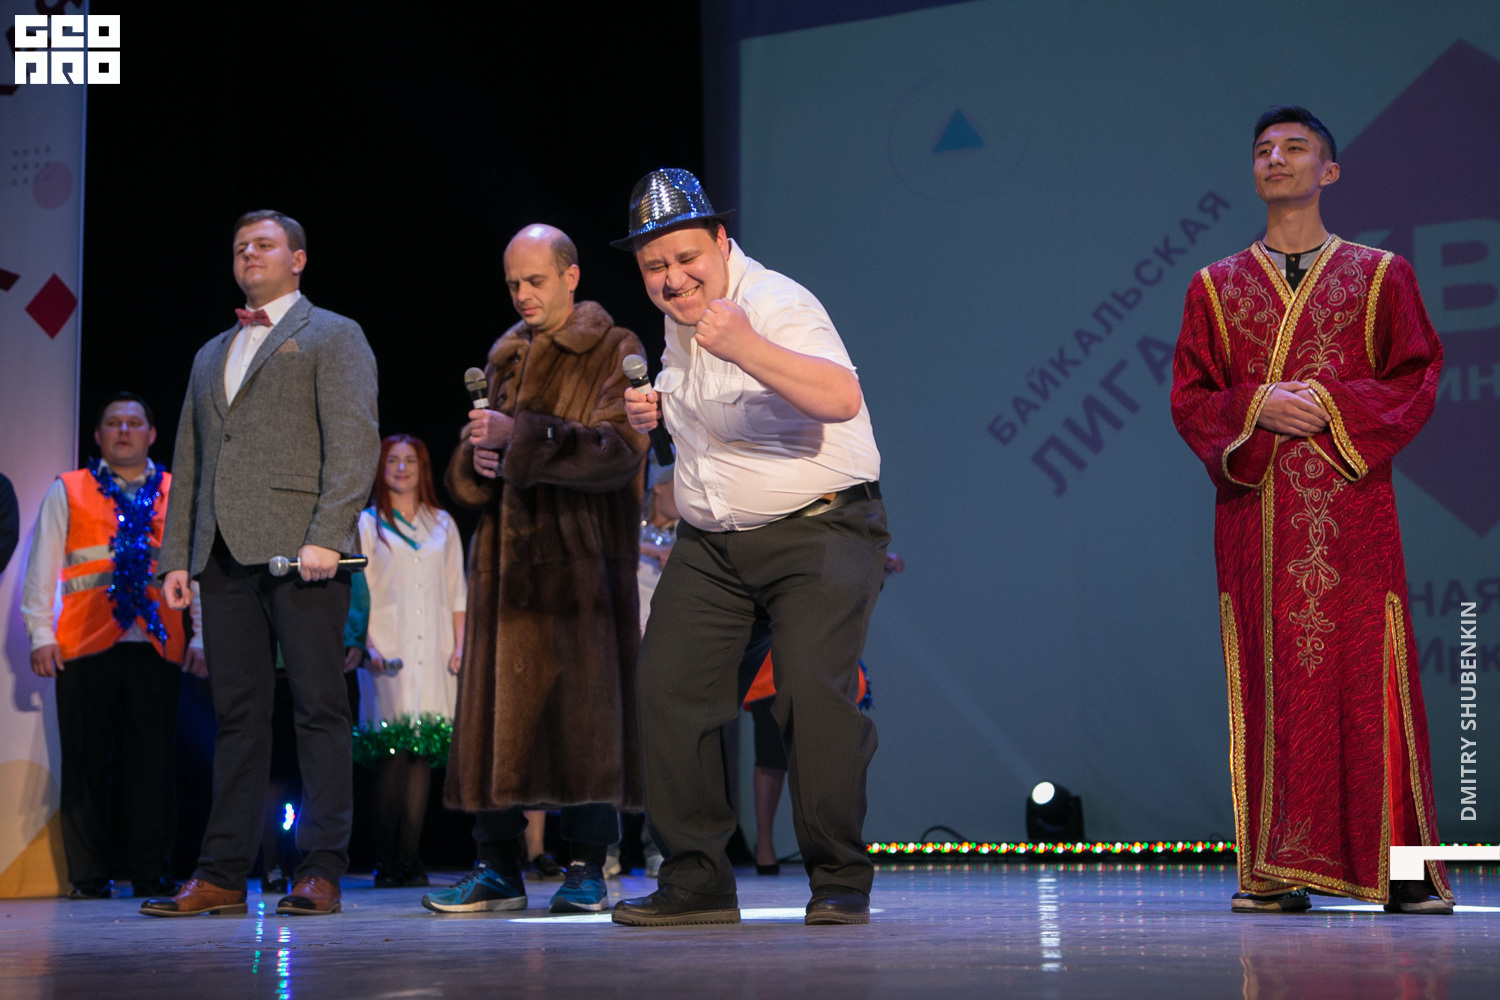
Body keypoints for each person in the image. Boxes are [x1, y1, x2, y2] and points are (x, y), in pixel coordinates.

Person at [1170, 106, 1452, 915]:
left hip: (1352, 510)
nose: (1276, 159)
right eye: (1263, 149)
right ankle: (1271, 871)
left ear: (1328, 172)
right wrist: (1254, 405)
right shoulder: (1214, 287)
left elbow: (1416, 374)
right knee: (1269, 683)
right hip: (1255, 515)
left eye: (1295, 148)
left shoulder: (1380, 274)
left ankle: (1407, 873)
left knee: (1375, 677)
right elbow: (1191, 398)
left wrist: (1328, 403)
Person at [613, 168, 888, 927]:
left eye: (686, 258)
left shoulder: (774, 302)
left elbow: (839, 397)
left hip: (820, 527)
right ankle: (696, 881)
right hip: (715, 545)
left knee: (808, 694)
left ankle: (838, 877)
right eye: (654, 266)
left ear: (721, 240)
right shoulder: (678, 323)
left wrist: (746, 346)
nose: (673, 278)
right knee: (668, 686)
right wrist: (656, 410)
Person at [142, 210, 379, 918]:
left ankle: (322, 867)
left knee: (318, 708)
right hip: (222, 553)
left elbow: (355, 441)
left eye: (264, 244)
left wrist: (328, 534)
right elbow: (190, 457)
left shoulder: (332, 334)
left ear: (297, 259)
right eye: (240, 246)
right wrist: (177, 555)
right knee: (236, 716)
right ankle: (221, 873)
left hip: (303, 552)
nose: (249, 253)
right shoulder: (212, 351)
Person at [420, 224, 648, 916]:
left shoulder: (614, 347)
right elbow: (470, 479)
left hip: (580, 571)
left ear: (571, 276)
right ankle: (496, 867)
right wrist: (476, 459)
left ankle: (586, 865)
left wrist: (521, 436)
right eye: (513, 283)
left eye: (535, 280)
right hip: (505, 572)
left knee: (585, 717)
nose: (522, 294)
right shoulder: (506, 357)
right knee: (499, 722)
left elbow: (618, 450)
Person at [21, 392, 203, 900]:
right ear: (98, 435)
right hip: (84, 644)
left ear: (152, 434)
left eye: (134, 423)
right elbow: (42, 565)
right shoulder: (69, 488)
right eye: (113, 423)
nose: (124, 431)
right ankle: (87, 877)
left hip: (157, 644)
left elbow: (196, 569)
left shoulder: (175, 491)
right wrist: (40, 634)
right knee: (84, 764)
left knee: (153, 765)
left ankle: (151, 873)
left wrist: (203, 636)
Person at [344, 434, 465, 888]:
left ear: (422, 467)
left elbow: (457, 592)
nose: (401, 468)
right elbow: (359, 589)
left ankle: (411, 859)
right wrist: (368, 645)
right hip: (386, 650)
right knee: (391, 753)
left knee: (420, 754)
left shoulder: (442, 524)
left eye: (409, 460)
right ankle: (385, 860)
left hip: (433, 650)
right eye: (392, 460)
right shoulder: (368, 523)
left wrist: (460, 646)